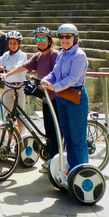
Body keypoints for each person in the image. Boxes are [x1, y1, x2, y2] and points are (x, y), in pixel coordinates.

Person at [4, 26, 60, 173]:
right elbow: (24, 67)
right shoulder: (38, 57)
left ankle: (55, 160)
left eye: (43, 39)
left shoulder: (54, 55)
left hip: (56, 98)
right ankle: (51, 158)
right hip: (46, 98)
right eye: (38, 38)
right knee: (48, 129)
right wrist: (6, 75)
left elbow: (57, 73)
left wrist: (46, 82)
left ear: (49, 40)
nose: (40, 41)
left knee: (55, 130)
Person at [42, 23, 89, 173]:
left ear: (75, 38)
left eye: (68, 37)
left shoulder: (79, 55)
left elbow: (73, 79)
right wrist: (45, 80)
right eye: (61, 37)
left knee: (77, 138)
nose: (64, 40)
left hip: (75, 98)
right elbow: (55, 74)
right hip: (62, 97)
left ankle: (82, 171)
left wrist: (53, 87)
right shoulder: (62, 54)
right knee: (67, 136)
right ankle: (71, 168)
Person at [0, 30, 28, 132]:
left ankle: (21, 137)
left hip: (19, 86)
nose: (12, 45)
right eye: (10, 43)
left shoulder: (22, 55)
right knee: (8, 114)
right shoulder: (6, 55)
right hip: (8, 86)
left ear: (19, 44)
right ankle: (10, 138)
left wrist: (3, 67)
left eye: (15, 43)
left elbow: (17, 66)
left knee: (20, 114)